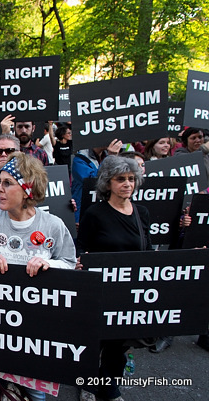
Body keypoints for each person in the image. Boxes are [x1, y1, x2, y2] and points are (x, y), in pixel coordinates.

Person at [0, 152, 76, 401]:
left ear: (27, 189)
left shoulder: (53, 225)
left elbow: (69, 264)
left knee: (36, 393)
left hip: (37, 330)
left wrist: (48, 263)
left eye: (7, 183)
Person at [77, 156, 151, 401]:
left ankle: (110, 388)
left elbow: (147, 251)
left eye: (131, 179)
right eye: (121, 179)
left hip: (129, 292)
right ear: (108, 184)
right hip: (101, 291)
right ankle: (88, 385)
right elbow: (83, 249)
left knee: (118, 346)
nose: (127, 184)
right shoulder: (95, 213)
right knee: (95, 342)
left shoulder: (142, 213)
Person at [71, 139, 123, 224]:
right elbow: (93, 181)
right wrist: (110, 157)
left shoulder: (107, 156)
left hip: (103, 206)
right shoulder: (79, 159)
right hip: (83, 208)